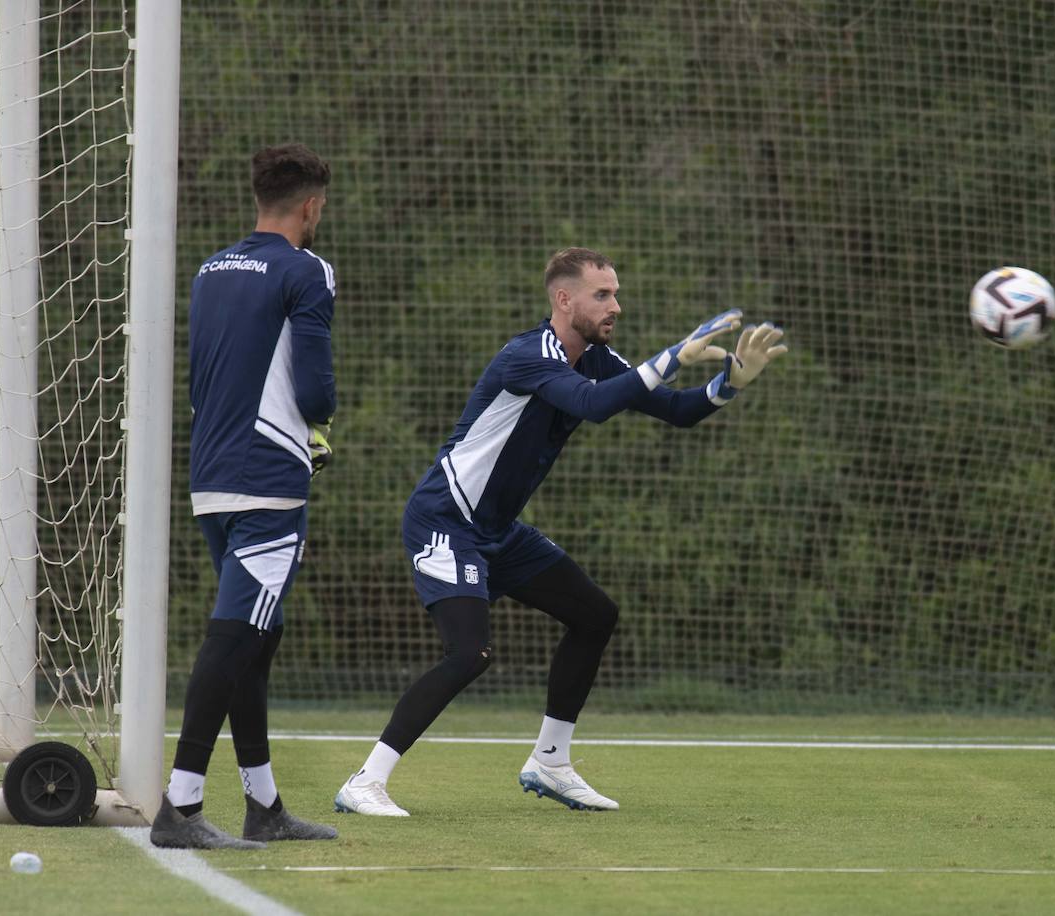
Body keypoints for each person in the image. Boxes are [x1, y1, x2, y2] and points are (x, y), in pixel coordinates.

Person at [334, 247, 787, 816]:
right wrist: (672, 354)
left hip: (497, 531)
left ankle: (550, 762)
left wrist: (730, 384)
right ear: (563, 299)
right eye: (602, 295)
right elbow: (592, 406)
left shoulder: (596, 358)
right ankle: (364, 782)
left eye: (615, 293)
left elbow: (676, 410)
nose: (615, 305)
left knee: (595, 614)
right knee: (469, 653)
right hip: (445, 521)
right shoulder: (527, 355)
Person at [150, 144, 340, 849]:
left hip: (212, 477)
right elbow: (315, 389)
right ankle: (181, 806)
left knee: (259, 635)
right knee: (233, 638)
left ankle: (265, 806)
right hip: (268, 479)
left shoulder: (211, 269)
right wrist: (319, 429)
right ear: (311, 205)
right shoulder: (306, 269)